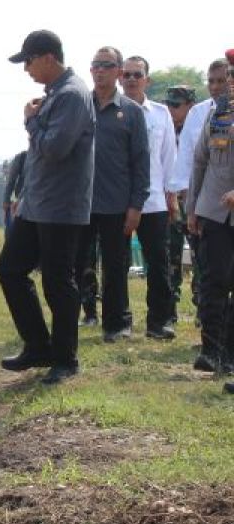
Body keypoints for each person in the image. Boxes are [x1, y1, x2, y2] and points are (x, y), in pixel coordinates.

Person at [0, 30, 95, 385]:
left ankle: (65, 358)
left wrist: (30, 121)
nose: (26, 69)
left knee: (58, 281)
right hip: (37, 204)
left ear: (49, 58)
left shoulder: (72, 95)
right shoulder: (56, 94)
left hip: (61, 206)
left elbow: (55, 148)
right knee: (10, 269)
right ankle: (38, 345)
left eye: (29, 60)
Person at [75, 46, 150, 342]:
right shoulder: (80, 106)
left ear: (118, 72)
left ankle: (117, 323)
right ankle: (85, 314)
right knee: (79, 262)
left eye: (107, 65)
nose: (100, 70)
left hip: (117, 203)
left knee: (115, 265)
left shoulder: (131, 112)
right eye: (95, 65)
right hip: (80, 202)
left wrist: (136, 205)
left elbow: (141, 161)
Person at [120, 55, 178, 339]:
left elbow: (169, 156)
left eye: (137, 74)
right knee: (117, 263)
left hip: (154, 200)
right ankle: (120, 323)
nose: (131, 79)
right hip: (118, 200)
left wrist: (172, 195)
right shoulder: (108, 111)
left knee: (158, 262)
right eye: (127, 74)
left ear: (147, 80)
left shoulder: (160, 113)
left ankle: (159, 322)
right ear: (120, 78)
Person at [186, 72, 234, 376]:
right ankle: (211, 352)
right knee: (213, 280)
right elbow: (202, 160)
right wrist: (192, 208)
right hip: (215, 211)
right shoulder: (220, 114)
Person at [165, 85, 197, 321]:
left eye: (176, 105)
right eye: (169, 104)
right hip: (172, 203)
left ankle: (203, 308)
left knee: (200, 258)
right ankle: (170, 307)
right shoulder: (166, 129)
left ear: (190, 106)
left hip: (195, 202)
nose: (171, 109)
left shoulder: (200, 129)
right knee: (171, 257)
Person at [2, 151, 26, 235]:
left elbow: (11, 181)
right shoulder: (22, 157)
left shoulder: (22, 157)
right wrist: (6, 202)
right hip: (21, 204)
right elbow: (11, 181)